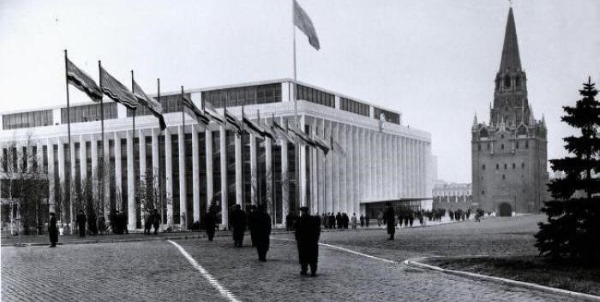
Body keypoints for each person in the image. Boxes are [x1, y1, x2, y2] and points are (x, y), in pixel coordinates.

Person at [295, 207, 321, 277]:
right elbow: (317, 230)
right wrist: (316, 239)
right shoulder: (313, 219)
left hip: (303, 242)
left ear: (302, 212)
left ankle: (304, 270)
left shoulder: (300, 220)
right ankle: (313, 271)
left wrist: (298, 239)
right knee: (313, 257)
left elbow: (297, 232)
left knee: (304, 257)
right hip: (312, 242)